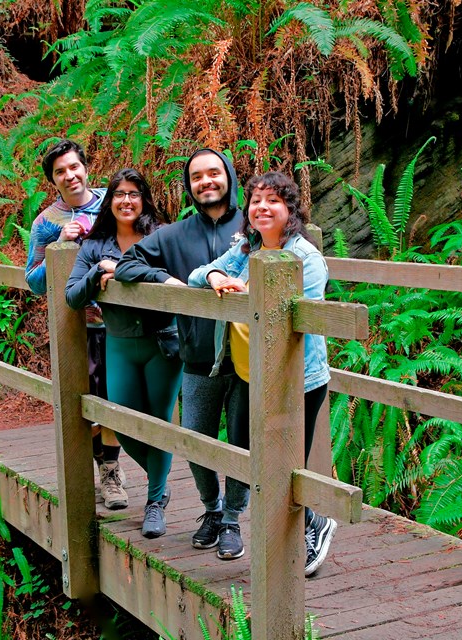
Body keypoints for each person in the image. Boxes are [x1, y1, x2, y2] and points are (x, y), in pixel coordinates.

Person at [188, 170, 337, 575]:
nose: (262, 207)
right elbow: (196, 275)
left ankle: (314, 525)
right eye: (256, 200)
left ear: (290, 209)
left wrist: (244, 289)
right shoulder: (246, 247)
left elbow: (291, 316)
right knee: (265, 465)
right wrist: (219, 276)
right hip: (255, 376)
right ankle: (300, 531)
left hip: (297, 380)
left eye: (273, 200)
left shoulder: (306, 258)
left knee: (287, 466)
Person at [115, 150, 248, 559]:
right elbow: (127, 265)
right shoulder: (174, 235)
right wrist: (167, 280)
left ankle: (232, 520)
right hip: (195, 355)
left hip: (248, 360)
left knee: (242, 443)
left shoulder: (253, 223)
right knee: (195, 439)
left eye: (213, 173)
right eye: (196, 177)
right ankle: (211, 510)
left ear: (228, 176)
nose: (206, 181)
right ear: (188, 186)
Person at [65, 168, 183, 537]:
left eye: (134, 193)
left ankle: (154, 503)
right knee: (124, 422)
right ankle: (159, 483)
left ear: (144, 199)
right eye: (119, 194)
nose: (127, 200)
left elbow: (176, 279)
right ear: (109, 201)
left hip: (161, 341)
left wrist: (127, 271)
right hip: (118, 342)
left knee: (159, 423)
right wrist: (99, 270)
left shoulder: (160, 237)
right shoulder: (94, 246)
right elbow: (72, 296)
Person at [25, 139, 128, 510]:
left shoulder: (115, 201)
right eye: (60, 172)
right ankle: (110, 472)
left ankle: (114, 467)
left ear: (86, 167)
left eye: (74, 167)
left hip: (123, 321)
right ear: (52, 180)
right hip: (78, 327)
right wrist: (59, 247)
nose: (70, 176)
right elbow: (33, 281)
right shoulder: (45, 223)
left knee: (118, 398)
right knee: (89, 401)